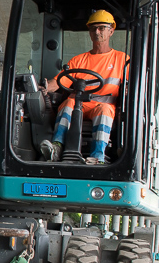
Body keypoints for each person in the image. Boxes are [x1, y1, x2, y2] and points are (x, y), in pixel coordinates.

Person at [38, 10, 128, 164]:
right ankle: (56, 147)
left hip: (103, 105)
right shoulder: (79, 60)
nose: (96, 31)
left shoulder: (122, 59)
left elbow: (129, 87)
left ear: (111, 31)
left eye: (101, 28)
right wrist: (44, 87)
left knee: (105, 111)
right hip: (80, 103)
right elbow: (59, 81)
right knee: (67, 103)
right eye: (93, 28)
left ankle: (98, 156)